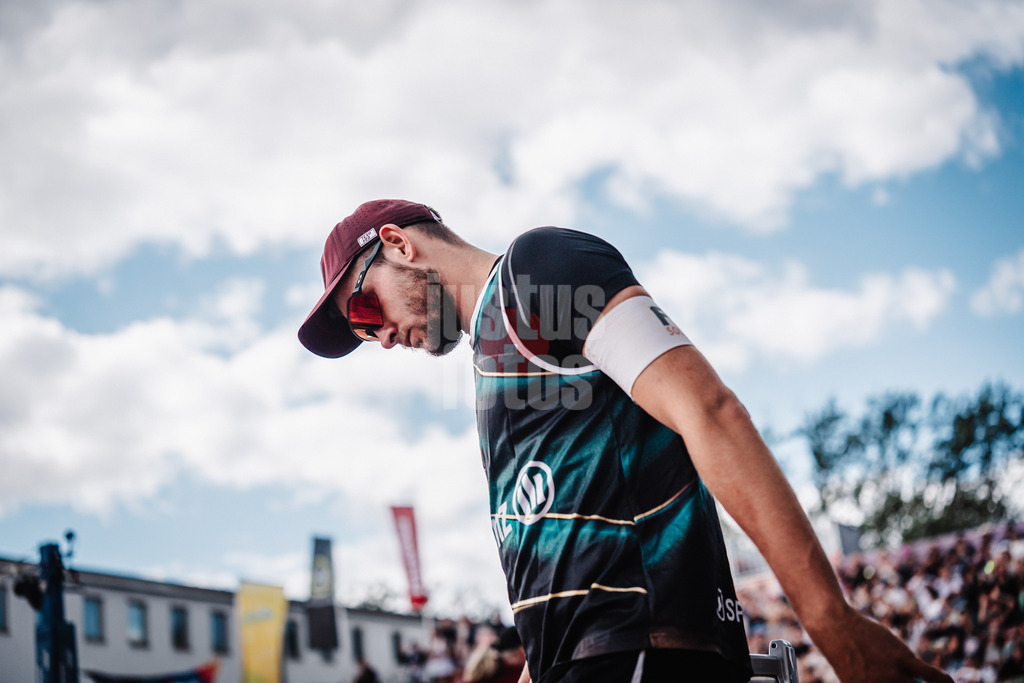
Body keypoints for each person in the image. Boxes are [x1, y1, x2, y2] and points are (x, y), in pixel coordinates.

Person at [298, 199, 954, 683]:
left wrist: (831, 622)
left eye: (365, 310)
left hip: (644, 651)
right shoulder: (491, 361)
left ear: (399, 244)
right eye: (365, 335)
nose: (379, 336)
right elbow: (565, 570)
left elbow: (710, 409)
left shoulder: (536, 268)